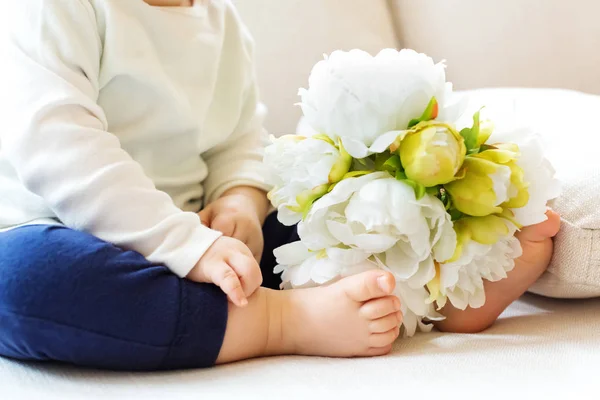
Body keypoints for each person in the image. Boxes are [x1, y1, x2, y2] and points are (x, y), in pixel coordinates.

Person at [0, 0, 560, 371]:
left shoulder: (218, 20)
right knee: (23, 281)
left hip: (203, 242)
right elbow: (57, 143)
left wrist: (240, 197)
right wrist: (181, 244)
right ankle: (279, 320)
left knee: (317, 214)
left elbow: (237, 138)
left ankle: (429, 292)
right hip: (53, 227)